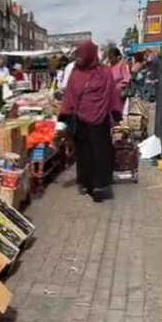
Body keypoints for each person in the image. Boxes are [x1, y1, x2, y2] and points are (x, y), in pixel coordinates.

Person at [61, 40, 124, 202]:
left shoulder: (104, 72)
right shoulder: (75, 72)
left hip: (100, 121)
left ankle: (99, 186)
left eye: (82, 54)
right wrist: (64, 116)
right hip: (81, 122)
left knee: (100, 153)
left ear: (90, 54)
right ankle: (86, 182)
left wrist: (116, 114)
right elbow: (69, 95)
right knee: (83, 154)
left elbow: (112, 93)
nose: (80, 58)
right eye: (79, 54)